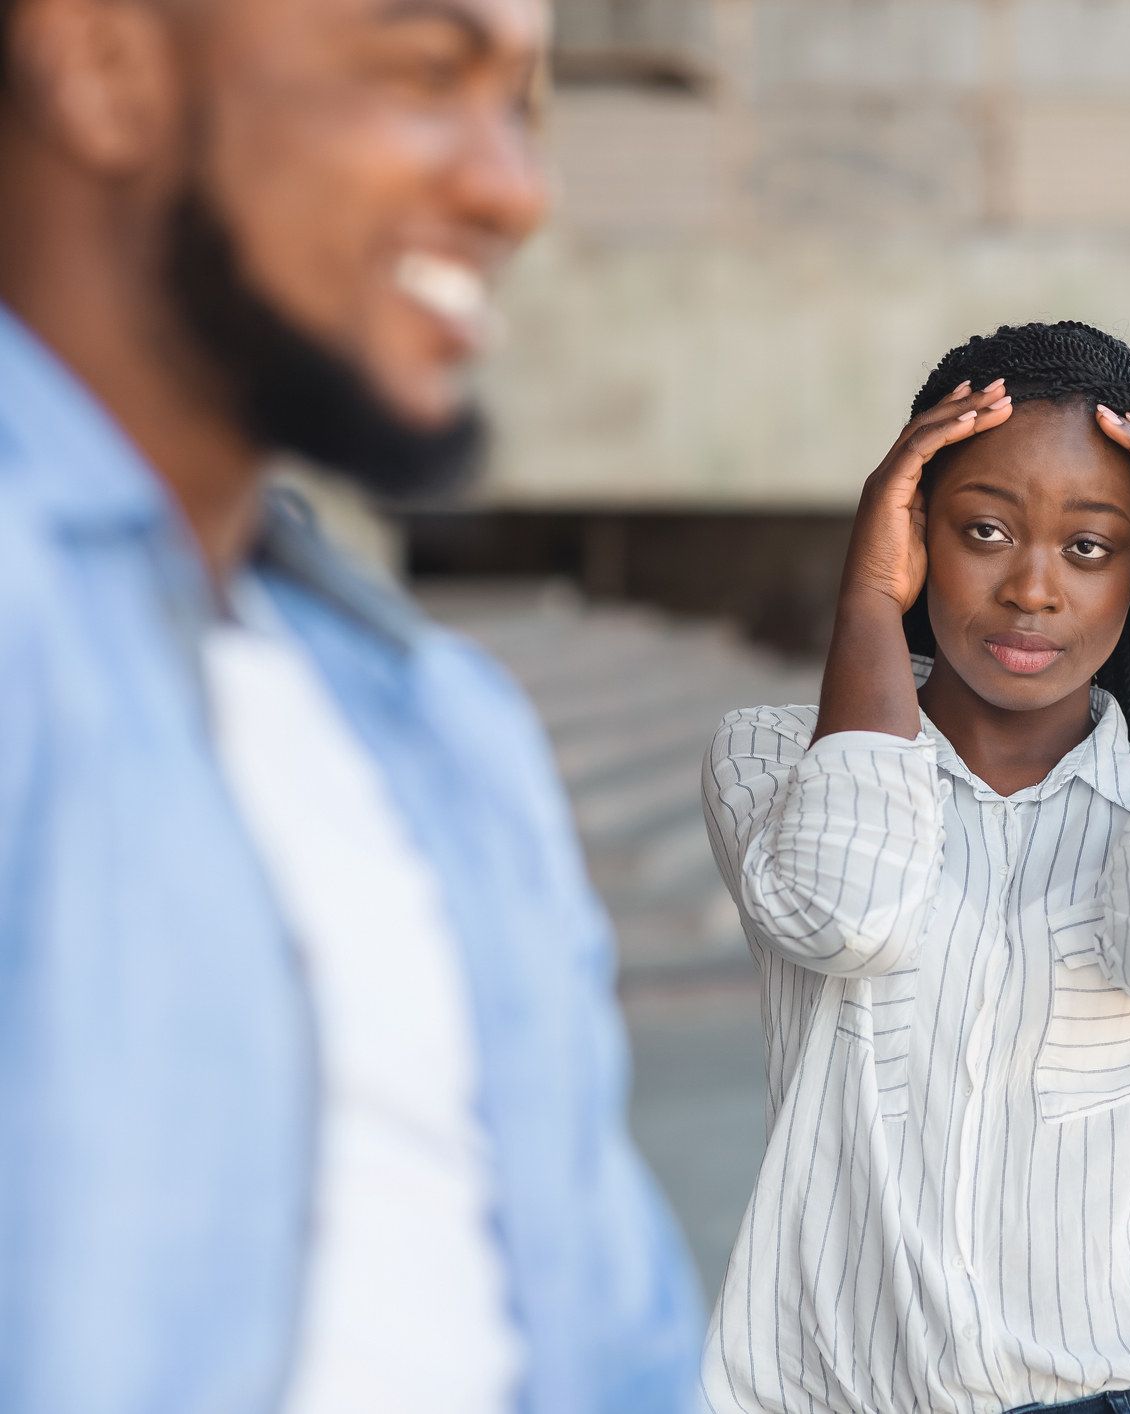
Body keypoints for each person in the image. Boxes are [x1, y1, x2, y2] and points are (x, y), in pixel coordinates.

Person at [0, 0, 702, 1401]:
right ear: (100, 60)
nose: (514, 190)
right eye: (427, 73)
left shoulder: (446, 728)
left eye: (523, 106)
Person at [699, 321, 1130, 1414]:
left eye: (1090, 547)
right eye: (984, 530)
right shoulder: (775, 764)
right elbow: (849, 912)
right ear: (912, 528)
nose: (1033, 588)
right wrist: (865, 599)